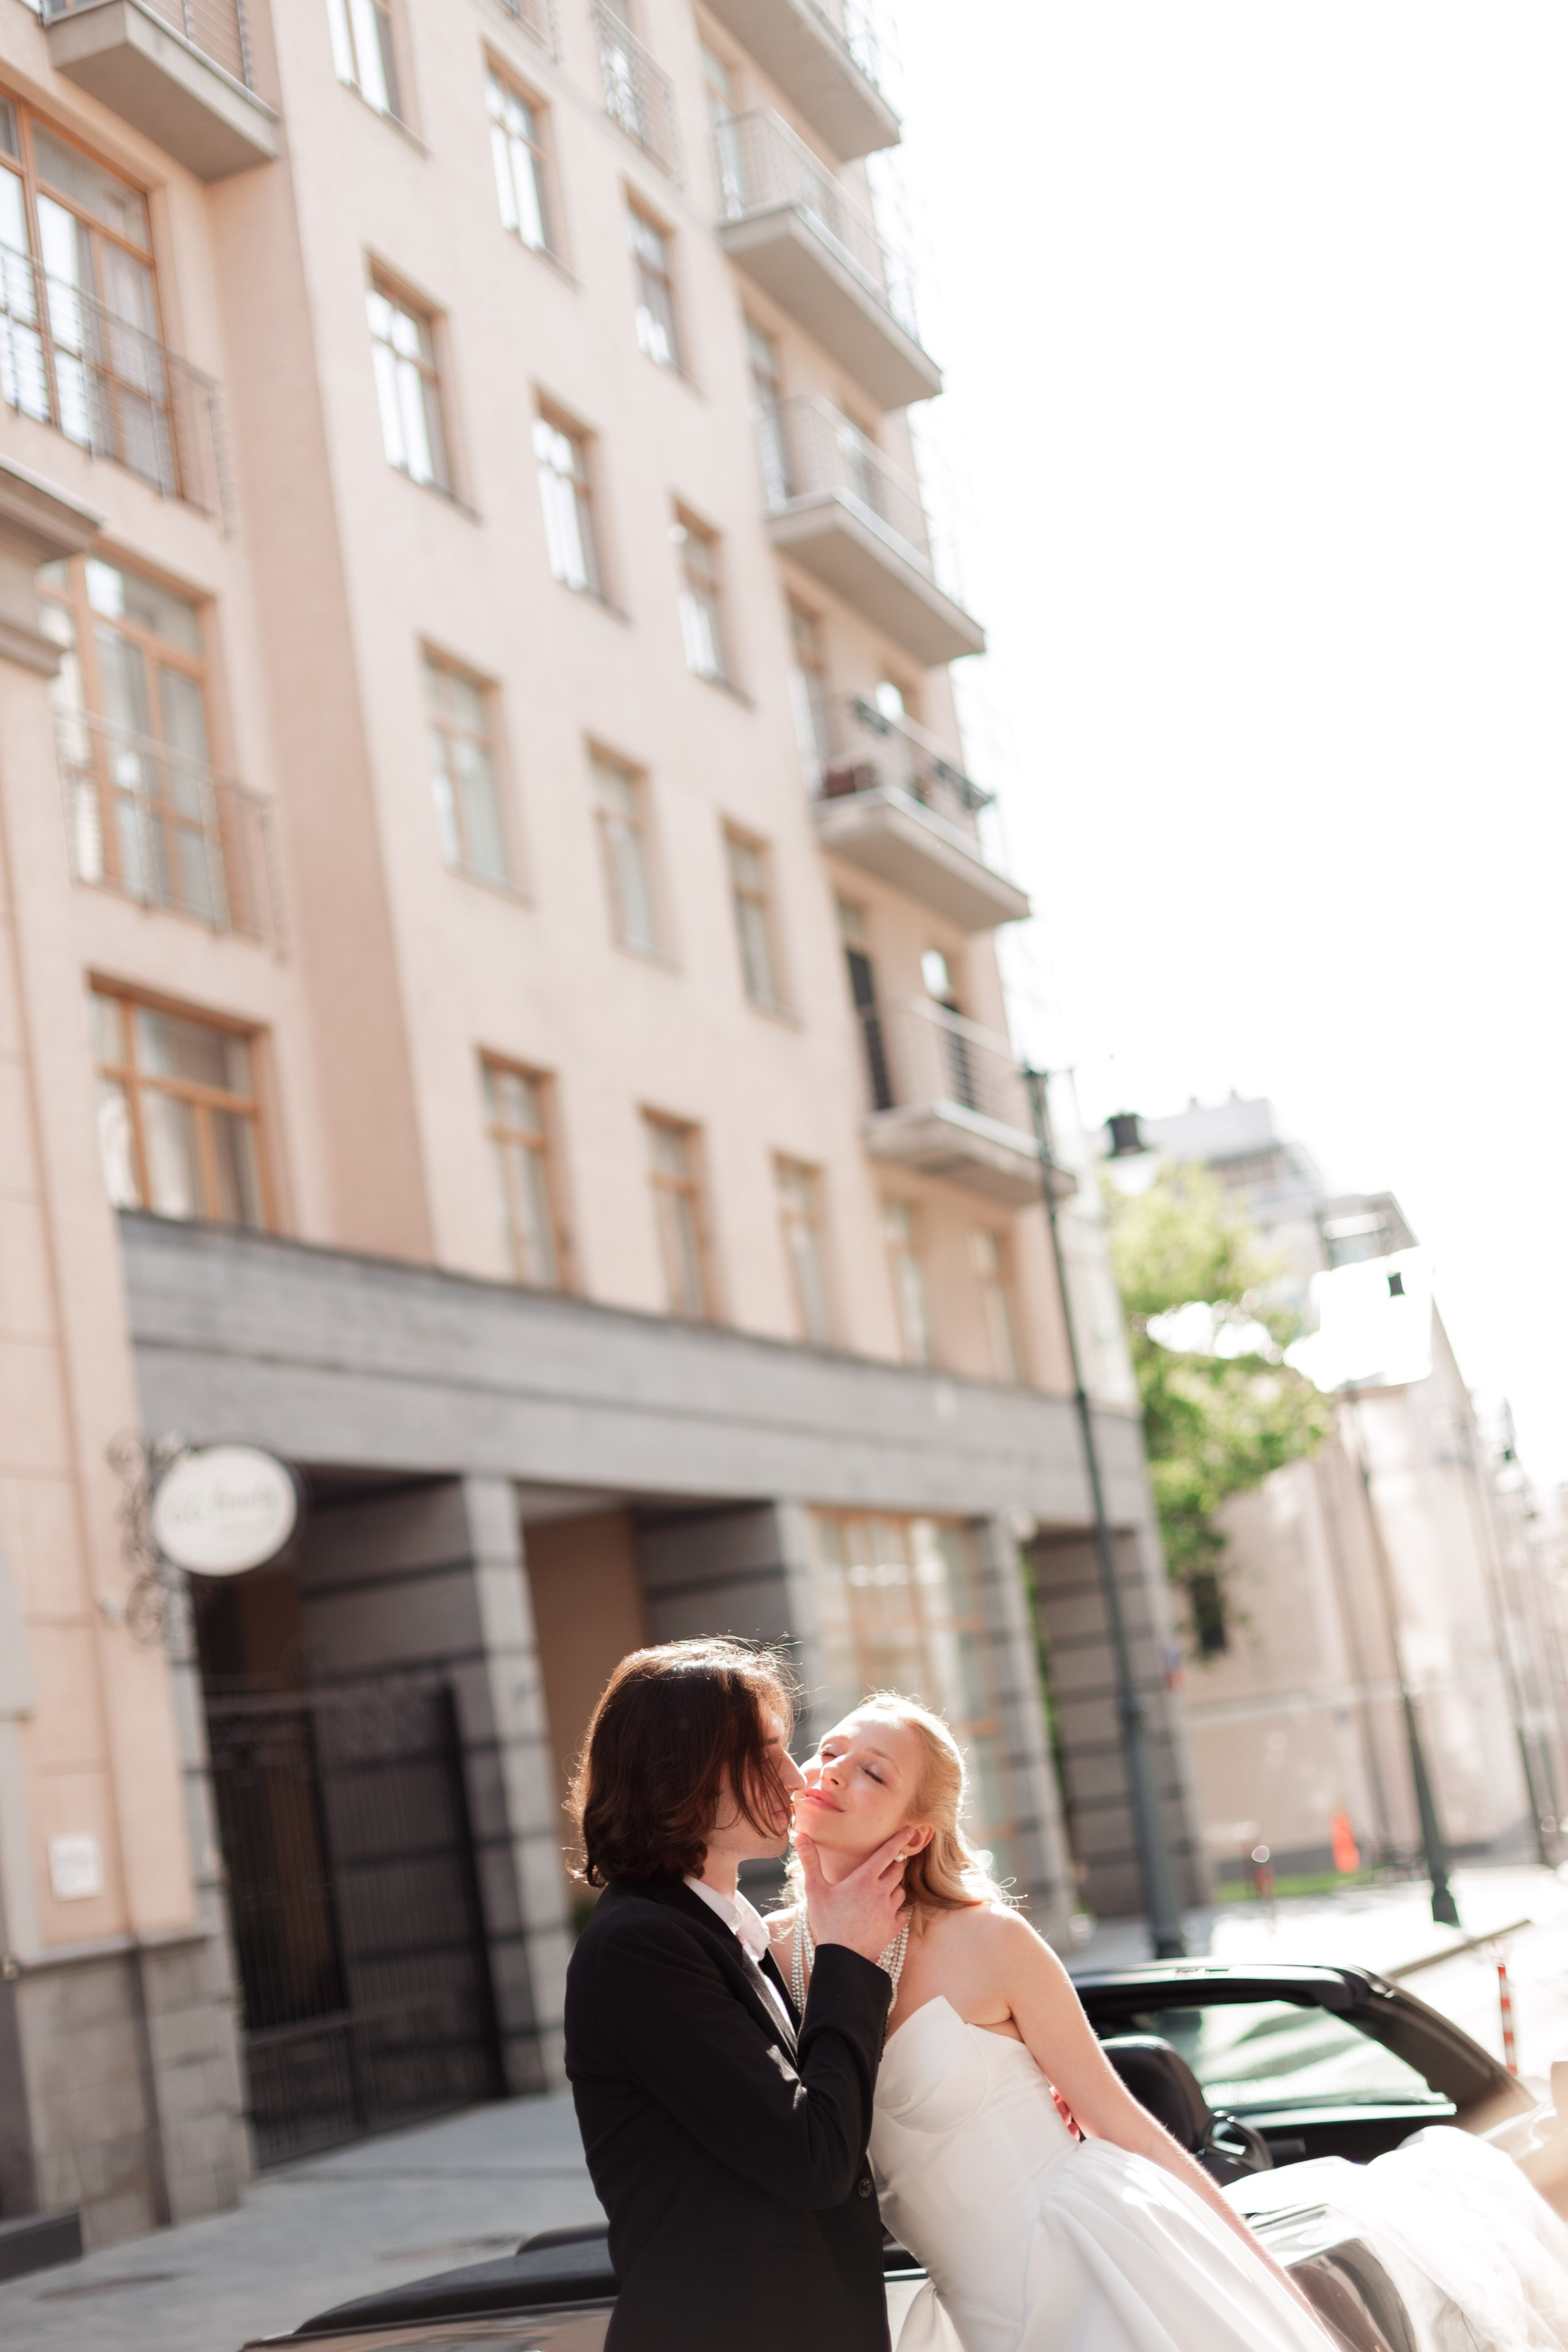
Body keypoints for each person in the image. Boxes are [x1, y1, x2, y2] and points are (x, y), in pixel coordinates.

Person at [783, 1692, 1414, 2352]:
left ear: (914, 1833)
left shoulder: (988, 1940)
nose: (831, 1770)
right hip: (967, 2317)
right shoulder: (766, 1956)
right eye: (828, 1751)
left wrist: (1274, 2291)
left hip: (1097, 2268)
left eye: (873, 1772)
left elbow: (1126, 2128)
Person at [563, 1640, 911, 2352]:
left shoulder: (716, 1932)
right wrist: (847, 1955)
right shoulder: (641, 1946)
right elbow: (813, 2157)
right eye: (763, 1754)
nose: (795, 1776)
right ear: (679, 1777)